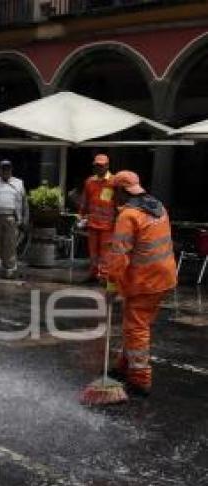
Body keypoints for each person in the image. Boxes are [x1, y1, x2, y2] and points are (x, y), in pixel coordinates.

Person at [105, 171, 176, 397]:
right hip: (164, 277)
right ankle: (124, 365)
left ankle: (139, 377)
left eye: (113, 192)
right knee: (135, 322)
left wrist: (111, 287)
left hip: (145, 281)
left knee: (137, 327)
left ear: (119, 191)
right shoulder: (158, 206)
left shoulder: (128, 216)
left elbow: (118, 257)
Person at [79, 154, 116, 282]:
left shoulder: (114, 182)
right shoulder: (90, 181)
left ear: (107, 166)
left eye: (101, 166)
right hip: (93, 223)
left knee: (106, 253)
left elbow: (118, 202)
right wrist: (81, 216)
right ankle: (94, 273)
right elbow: (85, 200)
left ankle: (104, 276)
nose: (98, 168)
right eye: (96, 166)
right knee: (93, 252)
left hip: (108, 225)